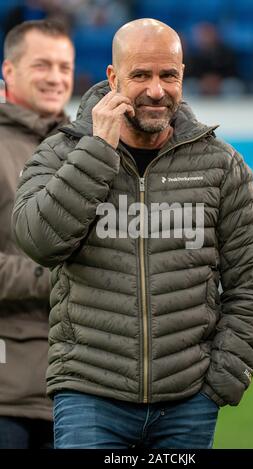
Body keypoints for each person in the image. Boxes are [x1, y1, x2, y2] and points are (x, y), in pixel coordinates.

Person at [12, 18, 253, 449]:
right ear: (113, 78)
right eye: (140, 75)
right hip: (89, 396)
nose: (156, 89)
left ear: (182, 76)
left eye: (167, 75)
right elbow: (39, 242)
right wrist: (98, 151)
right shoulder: (62, 150)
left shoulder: (220, 163)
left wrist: (222, 380)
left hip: (188, 402)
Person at [0, 19, 74, 448]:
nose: (56, 77)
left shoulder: (89, 147)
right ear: (9, 71)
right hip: (8, 398)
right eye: (42, 65)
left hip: (79, 392)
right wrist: (58, 278)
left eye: (64, 67)